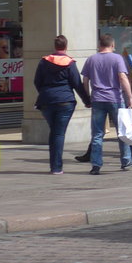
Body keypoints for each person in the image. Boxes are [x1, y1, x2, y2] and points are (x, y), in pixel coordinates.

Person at [34, 35, 92, 175]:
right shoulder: (70, 63)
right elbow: (77, 84)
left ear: (55, 46)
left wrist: (45, 92)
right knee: (58, 133)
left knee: (54, 132)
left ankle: (54, 166)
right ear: (66, 47)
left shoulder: (43, 62)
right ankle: (56, 167)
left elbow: (37, 81)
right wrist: (87, 100)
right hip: (65, 101)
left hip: (46, 101)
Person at [80, 33, 132, 175]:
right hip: (115, 99)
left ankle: (96, 165)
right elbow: (123, 78)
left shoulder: (91, 59)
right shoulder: (117, 58)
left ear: (100, 45)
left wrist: (87, 98)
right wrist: (130, 97)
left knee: (97, 134)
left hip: (97, 99)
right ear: (112, 45)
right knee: (121, 131)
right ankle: (126, 160)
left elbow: (85, 81)